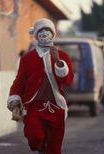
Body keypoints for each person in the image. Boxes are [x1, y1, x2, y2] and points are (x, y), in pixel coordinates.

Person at [7, 18, 74, 154]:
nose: (44, 34)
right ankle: (41, 148)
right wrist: (14, 101)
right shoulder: (27, 58)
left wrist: (58, 62)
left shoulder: (63, 56)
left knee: (54, 148)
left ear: (53, 33)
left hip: (56, 107)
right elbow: (19, 81)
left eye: (47, 31)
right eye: (41, 31)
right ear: (36, 35)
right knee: (34, 135)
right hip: (34, 107)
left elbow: (68, 81)